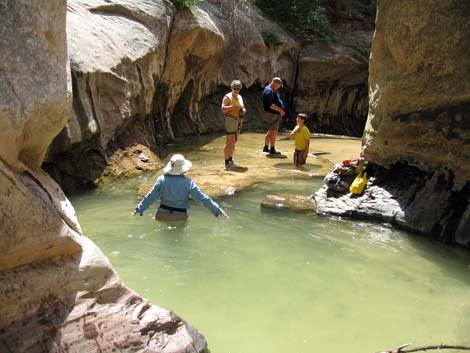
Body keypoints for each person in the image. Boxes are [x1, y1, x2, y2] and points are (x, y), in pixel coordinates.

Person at [132, 154, 229, 221]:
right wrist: (218, 210)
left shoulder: (161, 180)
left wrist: (139, 209)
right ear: (183, 169)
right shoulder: (188, 183)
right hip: (180, 216)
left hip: (161, 215)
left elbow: (150, 197)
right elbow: (202, 198)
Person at [221, 80, 246, 170]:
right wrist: (233, 107)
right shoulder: (227, 97)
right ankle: (226, 162)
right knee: (229, 141)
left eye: (238, 89)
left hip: (239, 120)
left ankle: (230, 159)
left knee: (234, 141)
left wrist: (243, 110)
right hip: (231, 119)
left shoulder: (239, 97)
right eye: (234, 88)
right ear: (231, 88)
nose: (236, 90)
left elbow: (242, 107)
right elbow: (223, 109)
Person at [262, 77, 285, 155]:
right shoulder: (269, 90)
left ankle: (266, 147)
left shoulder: (271, 90)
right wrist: (280, 110)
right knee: (274, 131)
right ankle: (272, 149)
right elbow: (270, 105)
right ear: (275, 83)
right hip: (272, 114)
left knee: (271, 130)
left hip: (272, 113)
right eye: (279, 85)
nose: (279, 87)